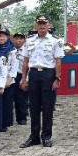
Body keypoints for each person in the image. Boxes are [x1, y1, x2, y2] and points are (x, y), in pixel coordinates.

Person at [19, 15, 64, 148]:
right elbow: (26, 61)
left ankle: (46, 136)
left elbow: (58, 61)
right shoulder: (29, 40)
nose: (42, 25)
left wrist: (57, 78)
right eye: (39, 23)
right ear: (36, 25)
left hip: (48, 74)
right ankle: (34, 136)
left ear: (49, 25)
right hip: (33, 74)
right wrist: (23, 79)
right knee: (33, 107)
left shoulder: (56, 41)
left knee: (48, 107)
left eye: (44, 23)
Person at [0, 29, 17, 131]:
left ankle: (6, 123)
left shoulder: (12, 50)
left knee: (7, 103)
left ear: (8, 37)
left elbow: (14, 66)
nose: (1, 38)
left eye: (4, 36)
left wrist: (9, 79)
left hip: (8, 80)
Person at [11, 32, 28, 125]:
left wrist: (26, 79)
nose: (19, 40)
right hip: (11, 76)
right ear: (13, 40)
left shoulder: (27, 51)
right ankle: (9, 119)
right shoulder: (10, 51)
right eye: (16, 38)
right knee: (10, 97)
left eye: (21, 38)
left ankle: (22, 118)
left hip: (22, 75)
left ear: (24, 40)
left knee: (21, 98)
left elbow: (29, 65)